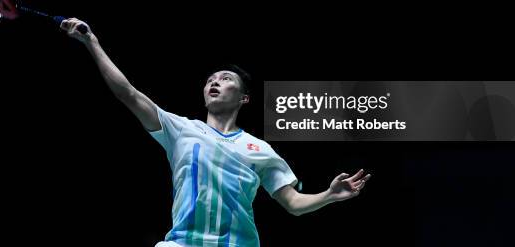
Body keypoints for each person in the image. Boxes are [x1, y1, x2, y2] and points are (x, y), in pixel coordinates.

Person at [60, 18, 371, 247]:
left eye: (224, 79)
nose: (214, 82)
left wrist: (329, 195)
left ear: (243, 98)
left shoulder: (259, 148)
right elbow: (128, 93)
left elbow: (291, 202)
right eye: (210, 79)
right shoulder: (181, 129)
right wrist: (92, 43)